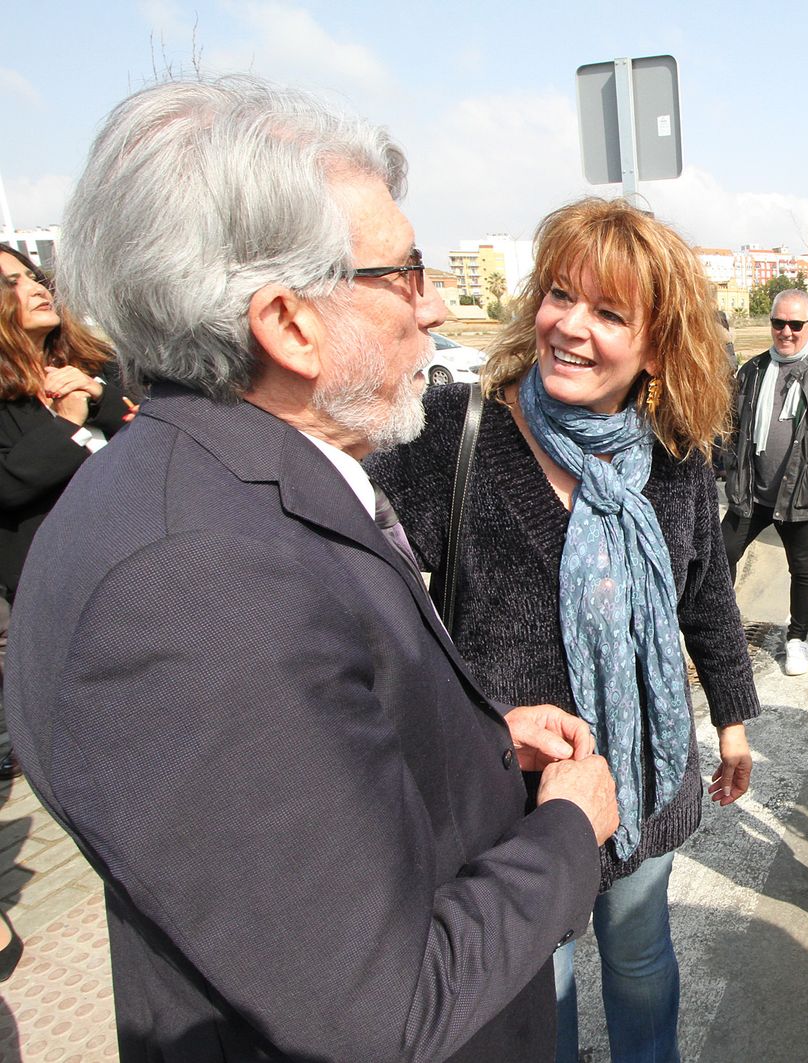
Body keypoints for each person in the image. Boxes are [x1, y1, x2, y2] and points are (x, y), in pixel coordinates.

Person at [5, 76, 618, 1060]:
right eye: (402, 274)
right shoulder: (190, 584)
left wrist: (476, 745)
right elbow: (377, 1009)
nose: (433, 308)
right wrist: (565, 834)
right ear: (288, 323)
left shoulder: (211, 484)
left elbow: (281, 783)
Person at [367, 196, 759, 1063]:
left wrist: (730, 714)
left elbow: (708, 594)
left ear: (657, 344)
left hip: (643, 776)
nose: (569, 327)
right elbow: (364, 594)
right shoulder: (455, 433)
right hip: (514, 804)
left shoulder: (676, 455)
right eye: (558, 295)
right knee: (531, 999)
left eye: (609, 312)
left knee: (643, 958)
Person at [0, 244, 133, 784]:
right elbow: (11, 483)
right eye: (10, 283)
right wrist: (72, 419)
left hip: (135, 567)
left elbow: (146, 415)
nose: (33, 287)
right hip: (58, 591)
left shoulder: (93, 363)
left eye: (32, 276)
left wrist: (92, 391)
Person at [721, 288, 808, 676]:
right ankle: (725, 628)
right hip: (752, 492)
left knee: (803, 569)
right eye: (779, 323)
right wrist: (725, 463)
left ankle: (797, 638)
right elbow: (731, 424)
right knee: (721, 554)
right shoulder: (753, 369)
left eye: (796, 324)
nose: (786, 332)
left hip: (800, 494)